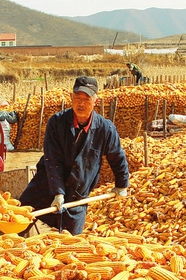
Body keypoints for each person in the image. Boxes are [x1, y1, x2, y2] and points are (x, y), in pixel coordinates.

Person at [19, 76, 130, 235]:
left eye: (87, 99)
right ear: (71, 97)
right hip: (47, 184)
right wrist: (58, 192)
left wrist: (122, 184)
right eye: (78, 98)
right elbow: (52, 160)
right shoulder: (57, 122)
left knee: (70, 240)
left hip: (78, 193)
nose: (81, 103)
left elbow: (117, 157)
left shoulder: (105, 129)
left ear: (95, 100)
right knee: (20, 220)